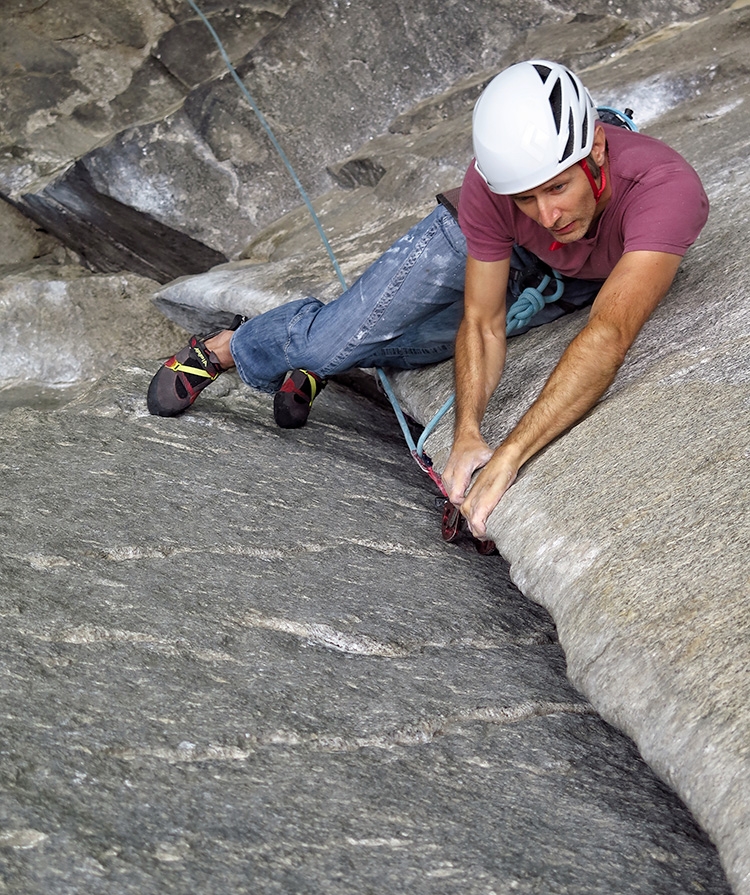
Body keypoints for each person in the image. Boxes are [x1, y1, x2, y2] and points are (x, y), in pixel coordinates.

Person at [147, 59, 708, 538]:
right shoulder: (491, 189)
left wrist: (508, 456)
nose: (547, 215)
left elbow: (607, 335)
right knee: (331, 341)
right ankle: (230, 347)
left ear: (599, 150)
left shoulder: (665, 191)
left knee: (402, 343)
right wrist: (467, 435)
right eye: (526, 198)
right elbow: (482, 319)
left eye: (559, 187)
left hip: (569, 279)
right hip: (474, 239)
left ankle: (334, 357)